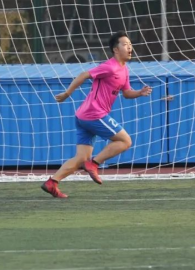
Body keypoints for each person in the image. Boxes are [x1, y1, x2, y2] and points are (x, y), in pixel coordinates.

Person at [41, 31, 152, 198]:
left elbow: (127, 93)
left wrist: (139, 93)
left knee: (81, 158)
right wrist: (67, 93)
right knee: (125, 141)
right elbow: (84, 75)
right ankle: (94, 164)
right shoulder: (110, 66)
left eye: (130, 44)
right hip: (94, 114)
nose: (130, 47)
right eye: (125, 44)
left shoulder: (124, 69)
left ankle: (52, 183)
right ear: (115, 49)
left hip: (83, 116)